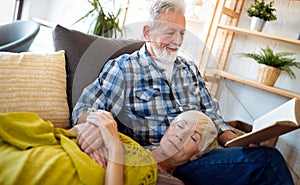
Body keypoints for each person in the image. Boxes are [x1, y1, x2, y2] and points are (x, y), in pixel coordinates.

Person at [72, 0, 294, 184]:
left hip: (203, 152)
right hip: (168, 160)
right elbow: (85, 108)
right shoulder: (125, 69)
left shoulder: (188, 68)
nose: (177, 41)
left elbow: (213, 116)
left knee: (259, 158)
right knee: (268, 162)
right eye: (170, 33)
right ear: (148, 32)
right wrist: (95, 128)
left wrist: (237, 140)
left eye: (182, 33)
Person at [73, 110, 219, 185]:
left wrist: (114, 150)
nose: (180, 135)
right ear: (168, 129)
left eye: (193, 138)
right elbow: (67, 133)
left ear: (196, 155)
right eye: (180, 126)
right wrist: (88, 128)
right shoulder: (129, 142)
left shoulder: (171, 183)